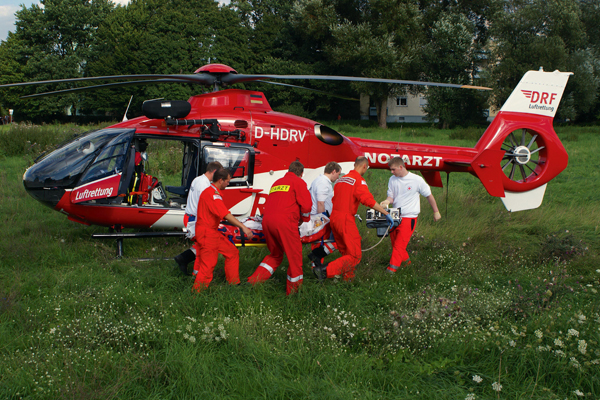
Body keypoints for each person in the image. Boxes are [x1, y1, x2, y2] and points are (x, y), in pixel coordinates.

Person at [312, 156, 393, 282]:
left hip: (334, 219)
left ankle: (347, 280)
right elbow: (368, 200)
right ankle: (324, 271)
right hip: (345, 219)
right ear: (364, 166)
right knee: (355, 255)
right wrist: (385, 213)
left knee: (346, 253)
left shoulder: (340, 180)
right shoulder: (358, 180)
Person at [247, 161, 312, 295]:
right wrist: (304, 220)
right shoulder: (298, 182)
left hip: (267, 222)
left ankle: (254, 281)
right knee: (295, 258)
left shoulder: (277, 183)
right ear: (301, 173)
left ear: (288, 170)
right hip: (285, 223)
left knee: (276, 255)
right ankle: (294, 293)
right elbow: (306, 206)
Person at [192, 168, 253, 292]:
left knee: (232, 252)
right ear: (220, 180)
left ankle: (234, 284)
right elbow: (225, 214)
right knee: (208, 265)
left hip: (210, 232)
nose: (228, 184)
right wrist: (243, 227)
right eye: (227, 181)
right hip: (207, 234)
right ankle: (197, 294)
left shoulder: (211, 192)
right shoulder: (212, 195)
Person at [380, 157, 441, 273]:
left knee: (399, 245)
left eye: (393, 169)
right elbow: (391, 196)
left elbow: (429, 195)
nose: (392, 172)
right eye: (390, 170)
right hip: (395, 215)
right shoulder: (392, 179)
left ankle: (391, 271)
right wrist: (387, 201)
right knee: (395, 243)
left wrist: (436, 211)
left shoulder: (416, 180)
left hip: (409, 217)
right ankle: (407, 264)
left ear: (401, 167)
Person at [174, 161, 223, 275]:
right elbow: (206, 204)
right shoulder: (204, 185)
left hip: (190, 216)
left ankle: (189, 265)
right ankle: (187, 262)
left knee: (201, 245)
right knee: (206, 246)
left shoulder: (197, 179)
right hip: (195, 219)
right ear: (214, 172)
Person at [307, 162, 341, 265]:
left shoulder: (319, 180)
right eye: (338, 174)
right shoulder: (323, 183)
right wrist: (322, 220)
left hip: (317, 217)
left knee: (320, 244)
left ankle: (316, 266)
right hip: (320, 218)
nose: (338, 177)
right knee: (329, 242)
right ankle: (316, 260)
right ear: (333, 171)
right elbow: (320, 203)